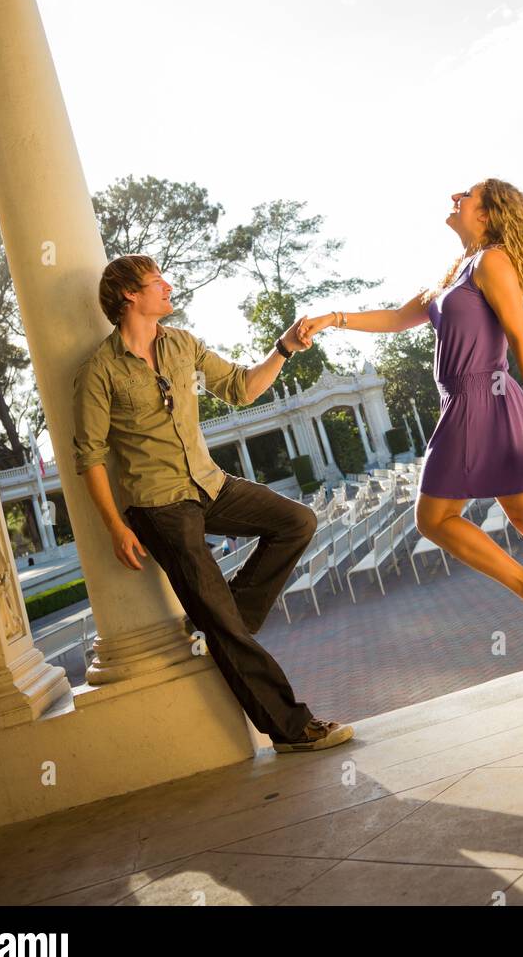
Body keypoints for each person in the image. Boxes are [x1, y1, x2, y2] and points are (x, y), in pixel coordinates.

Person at [298, 180, 523, 675]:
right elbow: (395, 317)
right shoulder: (456, 271)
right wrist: (331, 319)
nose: (454, 198)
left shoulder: (492, 262)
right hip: (466, 404)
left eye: (465, 196)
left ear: (487, 215)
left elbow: (520, 341)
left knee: (435, 518)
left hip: (482, 401)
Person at [72, 253, 352, 751]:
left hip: (209, 483)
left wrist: (284, 348)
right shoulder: (99, 371)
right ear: (129, 295)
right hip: (158, 506)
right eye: (157, 280)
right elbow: (89, 458)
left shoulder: (182, 343)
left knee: (296, 522)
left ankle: (225, 618)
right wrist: (115, 526)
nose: (168, 285)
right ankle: (293, 729)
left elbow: (242, 388)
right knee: (224, 625)